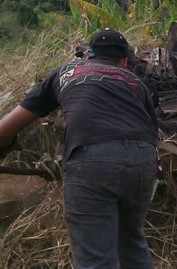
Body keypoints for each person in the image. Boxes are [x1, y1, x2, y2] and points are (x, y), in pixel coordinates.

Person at [0, 28, 158, 269]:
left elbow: (6, 129)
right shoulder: (136, 82)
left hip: (91, 160)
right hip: (143, 161)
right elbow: (150, 132)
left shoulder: (66, 72)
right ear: (125, 61)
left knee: (95, 260)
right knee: (133, 242)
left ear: (87, 56)